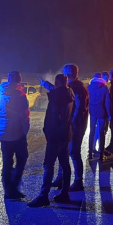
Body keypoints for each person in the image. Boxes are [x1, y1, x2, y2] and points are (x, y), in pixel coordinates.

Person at [29, 74, 74, 207]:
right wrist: (45, 84)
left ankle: (43, 196)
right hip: (65, 134)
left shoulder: (57, 96)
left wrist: (48, 132)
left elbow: (54, 117)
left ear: (57, 82)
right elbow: (55, 89)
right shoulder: (69, 93)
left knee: (48, 165)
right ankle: (65, 193)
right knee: (65, 165)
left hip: (55, 136)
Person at [44, 64, 89, 191]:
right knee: (63, 153)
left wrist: (71, 123)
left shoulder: (77, 87)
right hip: (73, 125)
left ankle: (78, 181)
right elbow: (58, 90)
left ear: (68, 74)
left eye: (64, 73)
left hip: (76, 126)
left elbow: (79, 108)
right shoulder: (75, 86)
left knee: (74, 152)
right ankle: (61, 179)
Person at [0, 71, 30, 200]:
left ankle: (7, 190)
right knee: (22, 158)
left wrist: (1, 126)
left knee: (7, 161)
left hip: (3, 133)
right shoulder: (20, 96)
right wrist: (25, 132)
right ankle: (13, 187)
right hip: (17, 133)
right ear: (19, 80)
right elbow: (24, 117)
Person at [87, 73, 111, 160]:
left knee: (92, 132)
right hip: (102, 111)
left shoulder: (89, 87)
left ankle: (90, 153)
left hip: (92, 111)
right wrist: (109, 114)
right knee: (101, 132)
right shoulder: (105, 88)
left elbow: (87, 99)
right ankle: (101, 154)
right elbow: (107, 102)